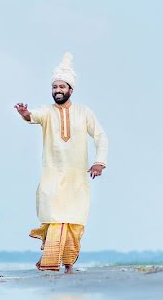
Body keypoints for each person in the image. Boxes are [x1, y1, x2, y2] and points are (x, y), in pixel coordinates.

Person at [14, 53, 108, 274]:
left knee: (74, 223)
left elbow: (100, 136)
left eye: (61, 87)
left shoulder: (84, 112)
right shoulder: (47, 112)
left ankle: (68, 267)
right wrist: (25, 113)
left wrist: (99, 162)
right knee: (54, 220)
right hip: (52, 177)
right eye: (54, 86)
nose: (57, 90)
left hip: (77, 179)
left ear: (70, 90)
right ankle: (50, 264)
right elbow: (33, 116)